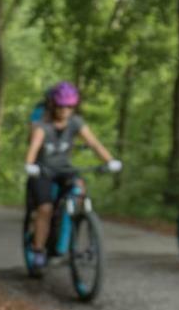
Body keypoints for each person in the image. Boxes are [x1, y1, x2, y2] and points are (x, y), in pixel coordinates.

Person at [23, 82, 121, 274]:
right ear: (53, 105)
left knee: (79, 189)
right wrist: (30, 165)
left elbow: (93, 143)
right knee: (45, 209)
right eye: (61, 106)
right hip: (43, 172)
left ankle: (76, 227)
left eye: (69, 106)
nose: (65, 111)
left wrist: (110, 160)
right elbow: (33, 149)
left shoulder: (76, 122)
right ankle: (38, 250)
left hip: (65, 170)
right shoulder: (43, 126)